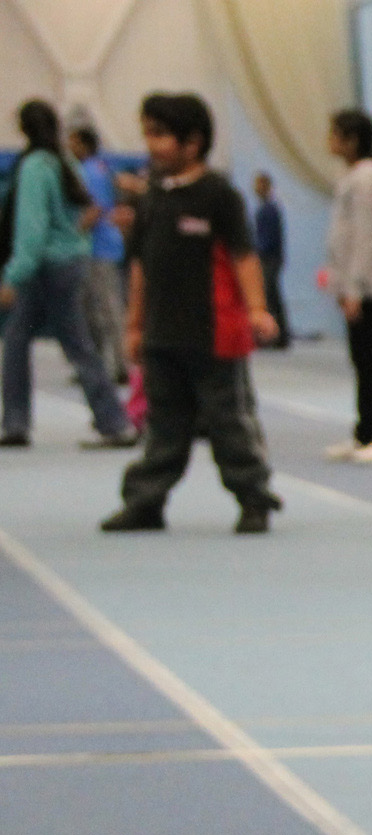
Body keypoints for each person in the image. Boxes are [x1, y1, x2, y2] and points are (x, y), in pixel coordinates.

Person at [103, 93, 282, 533]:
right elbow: (142, 267)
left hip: (214, 335)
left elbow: (243, 257)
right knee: (163, 426)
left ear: (193, 142)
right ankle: (146, 503)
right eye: (148, 134)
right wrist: (133, 326)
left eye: (160, 135)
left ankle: (253, 498)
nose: (151, 144)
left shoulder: (219, 195)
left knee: (228, 424)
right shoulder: (152, 198)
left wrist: (257, 309)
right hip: (162, 336)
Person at [1, 100, 137, 449]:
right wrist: (74, 242)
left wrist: (13, 277)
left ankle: (110, 421)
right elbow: (88, 210)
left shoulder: (34, 167)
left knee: (29, 343)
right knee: (68, 344)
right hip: (71, 263)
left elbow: (32, 229)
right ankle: (113, 421)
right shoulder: (66, 163)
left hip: (45, 268)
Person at [322, 107, 372, 463]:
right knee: (362, 362)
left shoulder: (368, 178)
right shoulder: (353, 177)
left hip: (371, 287)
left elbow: (367, 236)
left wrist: (354, 288)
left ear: (352, 140)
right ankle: (364, 432)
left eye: (334, 133)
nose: (328, 140)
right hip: (355, 286)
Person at [69, 124, 131, 381]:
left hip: (99, 250)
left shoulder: (90, 172)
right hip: (99, 248)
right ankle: (99, 366)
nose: (68, 148)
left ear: (83, 144)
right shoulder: (101, 168)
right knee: (94, 312)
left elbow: (94, 210)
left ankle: (122, 366)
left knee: (108, 310)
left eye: (72, 142)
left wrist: (69, 236)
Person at [251, 171, 291, 349]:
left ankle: (278, 335)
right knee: (273, 296)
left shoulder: (269, 209)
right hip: (269, 258)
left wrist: (256, 253)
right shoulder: (265, 208)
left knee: (271, 296)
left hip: (269, 259)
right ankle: (279, 336)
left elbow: (267, 239)